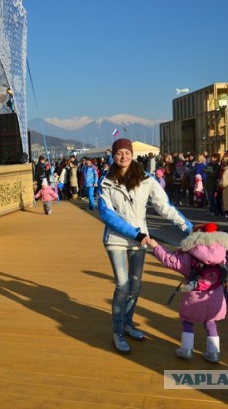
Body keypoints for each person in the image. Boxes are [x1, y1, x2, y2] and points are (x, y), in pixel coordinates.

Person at [98, 138, 194, 354]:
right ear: (113, 155)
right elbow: (106, 214)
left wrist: (188, 227)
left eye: (127, 152)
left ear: (132, 154)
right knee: (122, 285)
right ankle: (118, 332)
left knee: (136, 284)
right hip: (117, 240)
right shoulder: (106, 181)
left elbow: (164, 207)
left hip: (140, 240)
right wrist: (135, 233)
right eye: (119, 152)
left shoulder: (146, 179)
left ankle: (128, 323)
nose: (123, 156)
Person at [147, 223, 228, 362]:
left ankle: (187, 349)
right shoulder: (220, 252)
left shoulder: (191, 253)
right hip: (216, 296)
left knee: (188, 321)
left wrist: (156, 246)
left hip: (194, 294)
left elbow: (170, 260)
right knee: (211, 322)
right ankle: (213, 353)